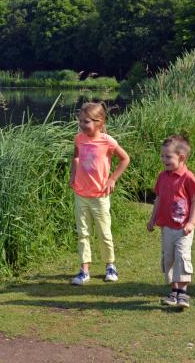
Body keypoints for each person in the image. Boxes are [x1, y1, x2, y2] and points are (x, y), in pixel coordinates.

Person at [69, 101, 130, 285]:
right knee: (83, 233)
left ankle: (110, 266)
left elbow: (125, 159)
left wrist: (112, 179)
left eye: (86, 121)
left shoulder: (107, 141)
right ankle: (84, 270)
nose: (82, 125)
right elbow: (76, 156)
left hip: (100, 195)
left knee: (104, 233)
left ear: (99, 123)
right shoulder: (79, 139)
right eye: (80, 121)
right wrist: (73, 176)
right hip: (81, 194)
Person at [147, 135, 195, 309]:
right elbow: (158, 199)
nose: (164, 159)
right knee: (169, 257)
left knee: (182, 257)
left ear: (182, 157)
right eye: (162, 156)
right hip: (166, 227)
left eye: (168, 156)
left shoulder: (187, 177)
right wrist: (152, 219)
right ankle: (174, 291)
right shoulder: (162, 177)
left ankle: (183, 293)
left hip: (183, 228)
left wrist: (191, 222)